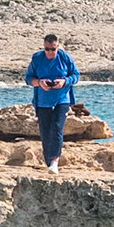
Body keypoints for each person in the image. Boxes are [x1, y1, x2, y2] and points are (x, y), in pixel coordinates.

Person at [24, 33, 80, 172]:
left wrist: (64, 81)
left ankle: (55, 161)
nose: (50, 52)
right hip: (42, 101)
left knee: (57, 127)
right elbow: (28, 78)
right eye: (47, 49)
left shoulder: (65, 58)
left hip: (62, 99)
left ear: (58, 47)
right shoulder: (37, 58)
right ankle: (49, 161)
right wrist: (39, 82)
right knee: (45, 131)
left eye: (53, 49)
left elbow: (76, 76)